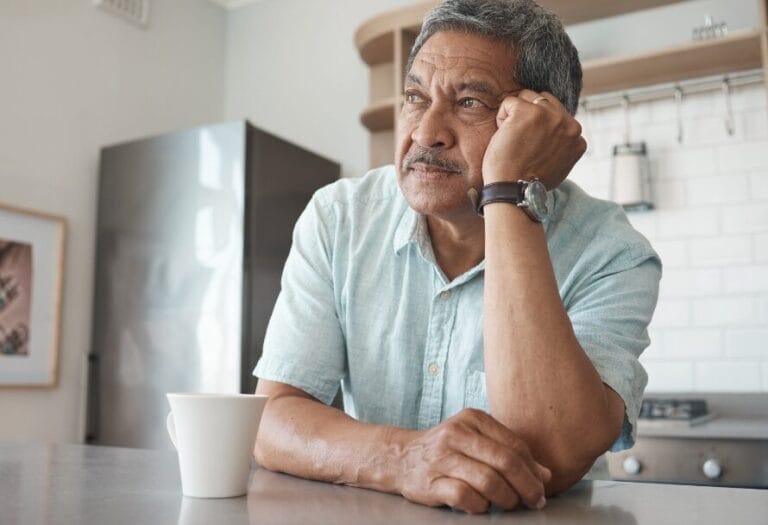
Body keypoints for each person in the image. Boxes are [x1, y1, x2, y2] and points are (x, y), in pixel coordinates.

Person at [253, 0, 661, 514]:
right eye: (415, 97)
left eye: (470, 102)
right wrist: (403, 458)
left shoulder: (612, 250)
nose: (426, 133)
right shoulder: (339, 217)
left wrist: (510, 192)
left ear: (538, 126)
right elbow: (272, 420)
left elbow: (553, 456)